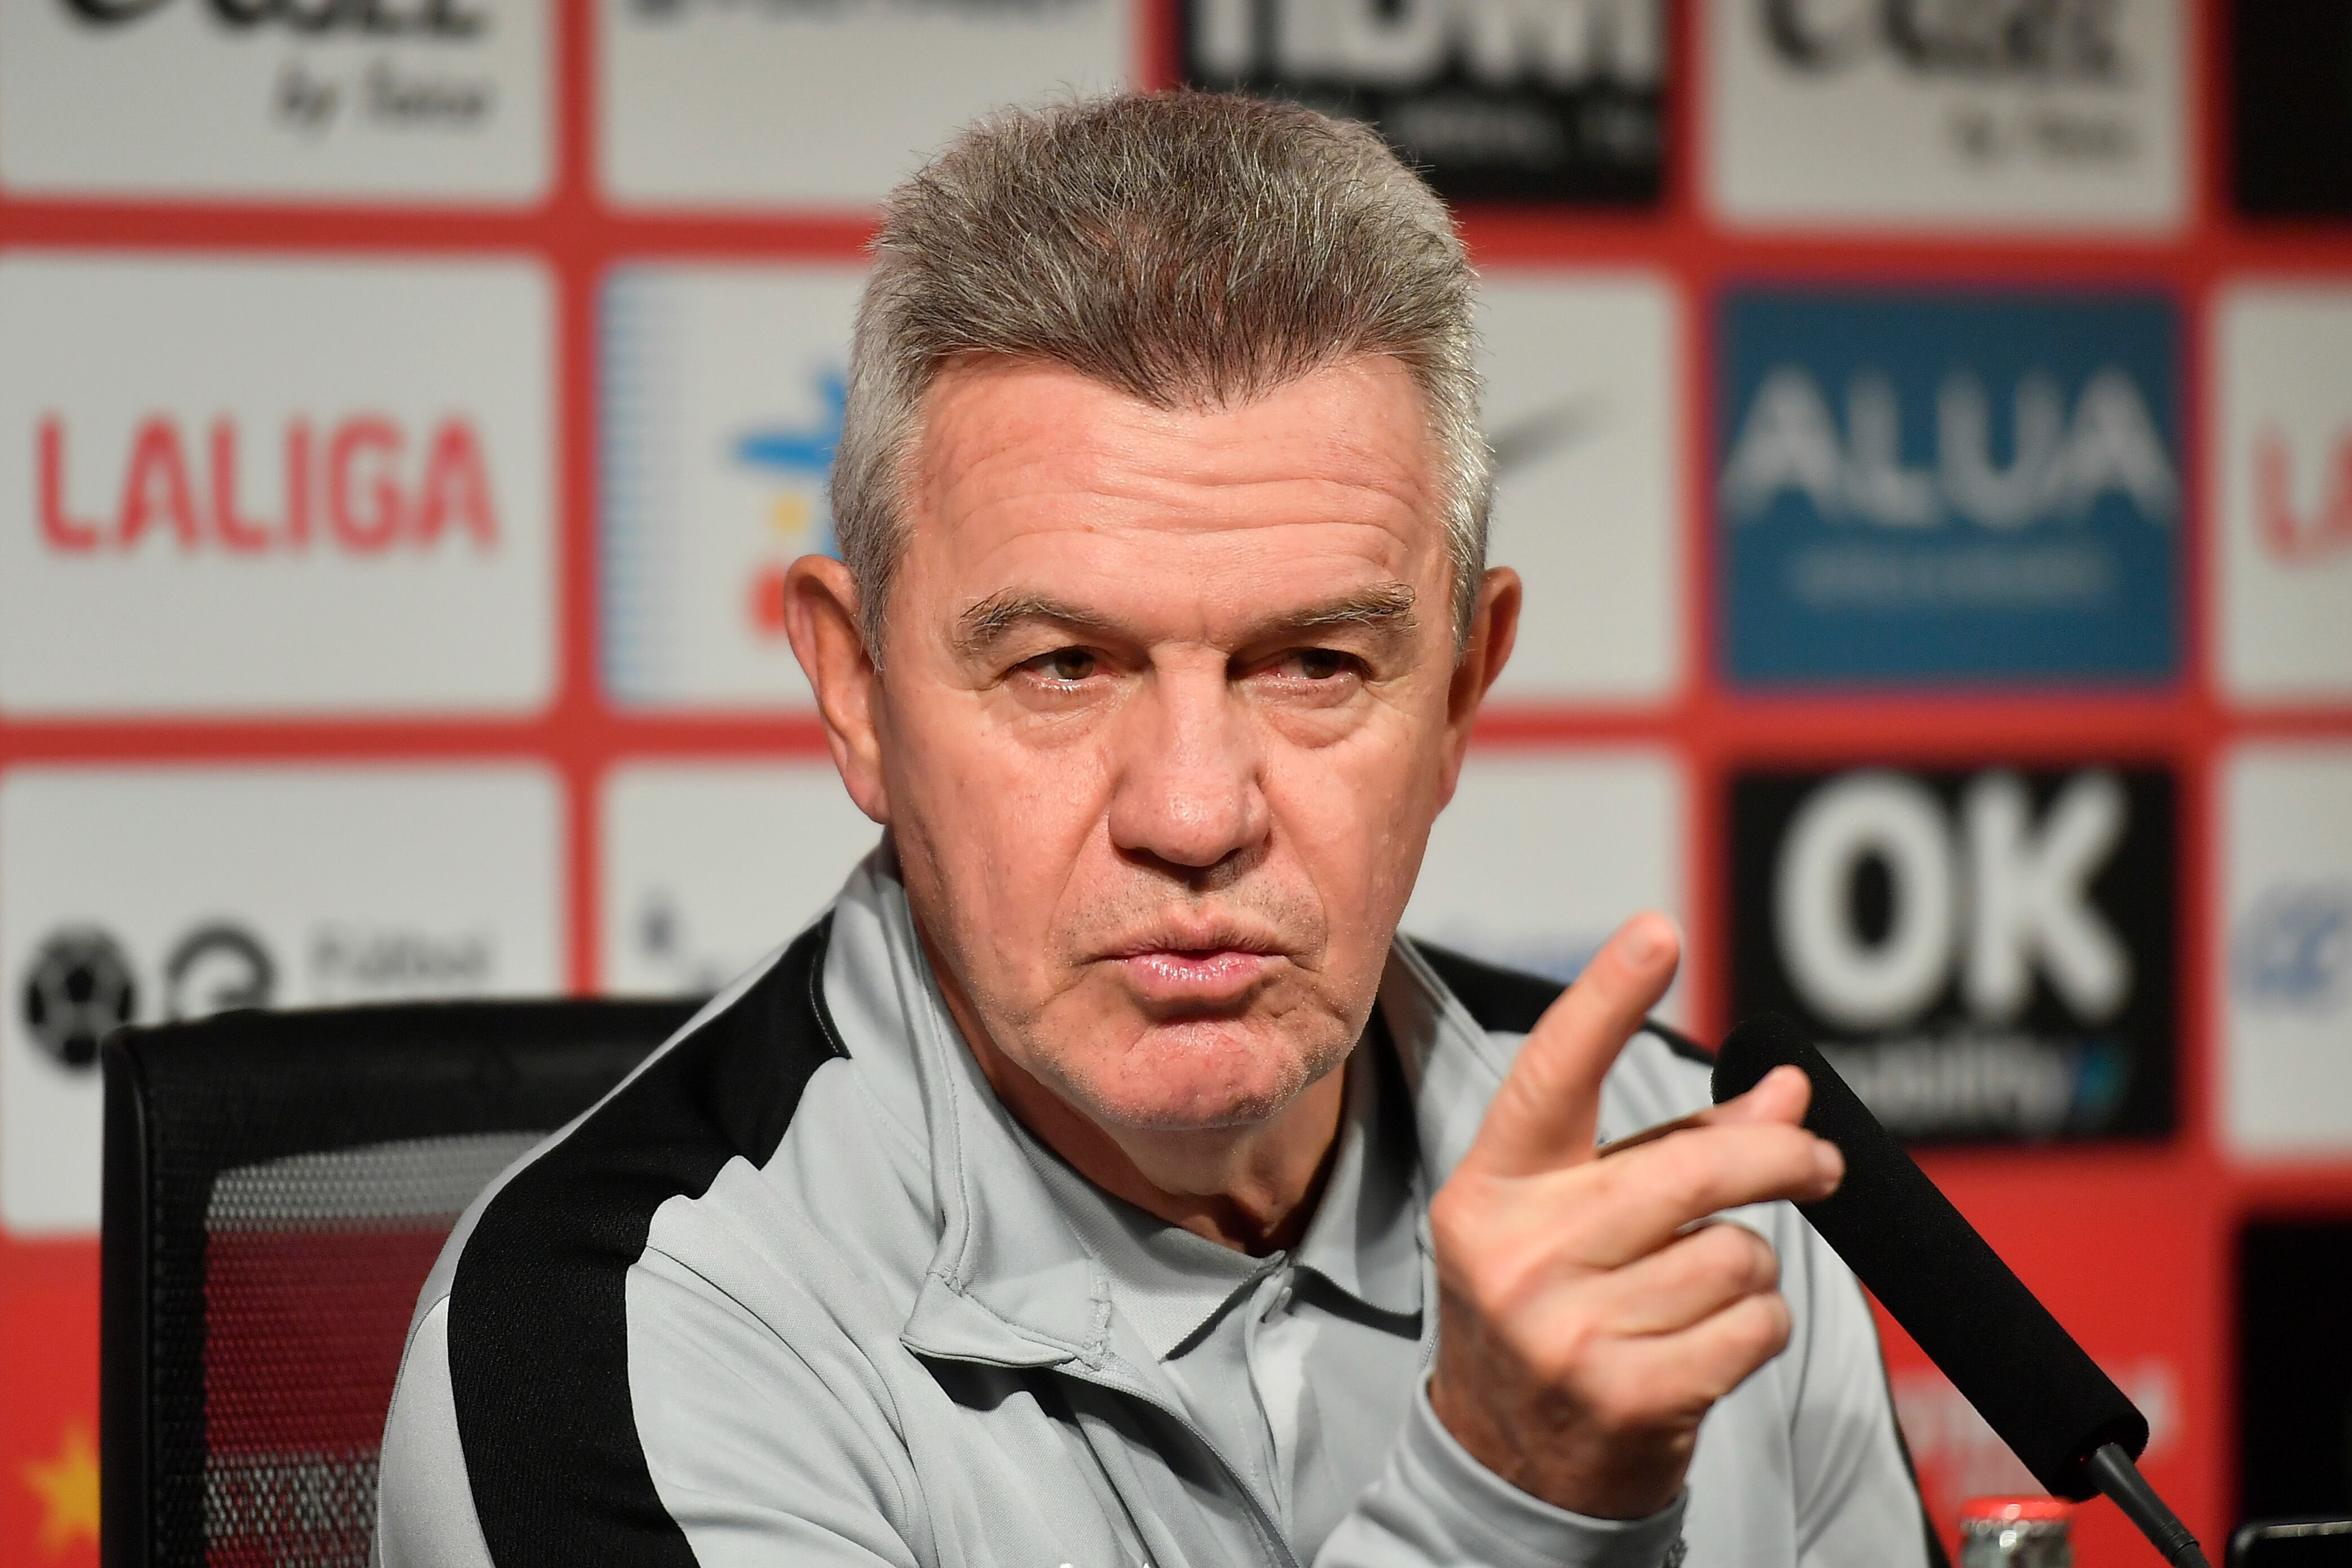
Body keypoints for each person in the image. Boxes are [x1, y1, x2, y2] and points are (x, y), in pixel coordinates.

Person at [376, 91, 1940, 1568]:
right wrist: (1506, 1507)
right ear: (857, 693)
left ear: (1461, 690)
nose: (1194, 816)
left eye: (1315, 663)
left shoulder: (1691, 1184)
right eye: (1063, 667)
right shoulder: (633, 1331)